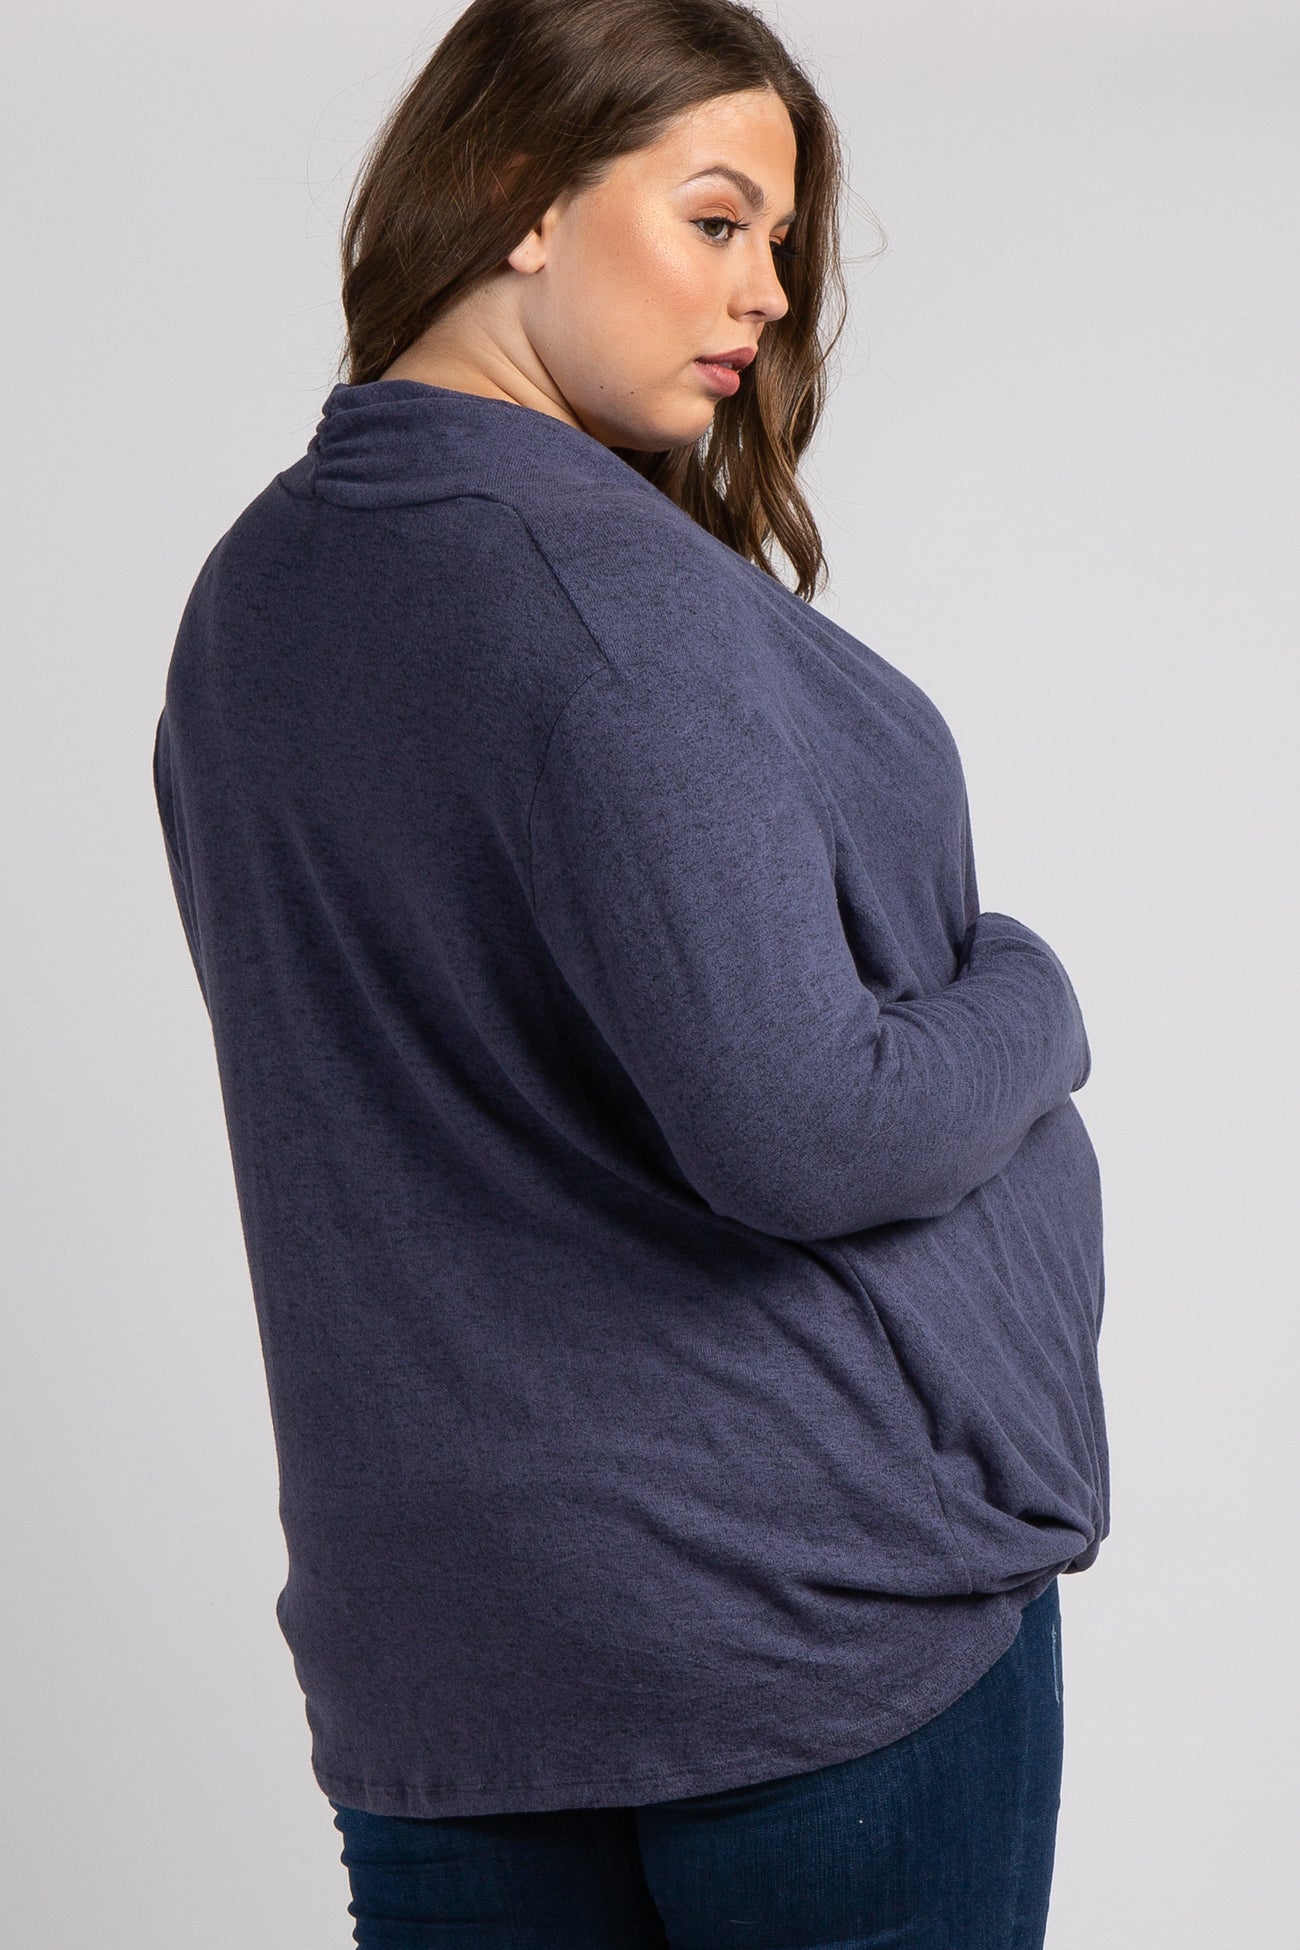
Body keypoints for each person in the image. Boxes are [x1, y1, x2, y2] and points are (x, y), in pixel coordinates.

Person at [151, 0, 1109, 1942]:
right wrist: (1034, 995)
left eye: (778, 241)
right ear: (520, 191)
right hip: (797, 1628)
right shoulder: (606, 599)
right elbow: (798, 1126)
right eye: (715, 219)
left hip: (445, 1661)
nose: (765, 292)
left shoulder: (250, 602)